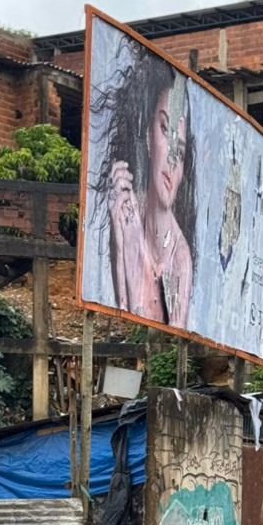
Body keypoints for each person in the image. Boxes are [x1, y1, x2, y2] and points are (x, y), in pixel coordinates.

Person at [90, 44, 196, 326]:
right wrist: (122, 237)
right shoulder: (126, 208)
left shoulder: (180, 257)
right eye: (164, 129)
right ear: (149, 137)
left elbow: (168, 330)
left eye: (180, 150)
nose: (172, 160)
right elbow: (121, 308)